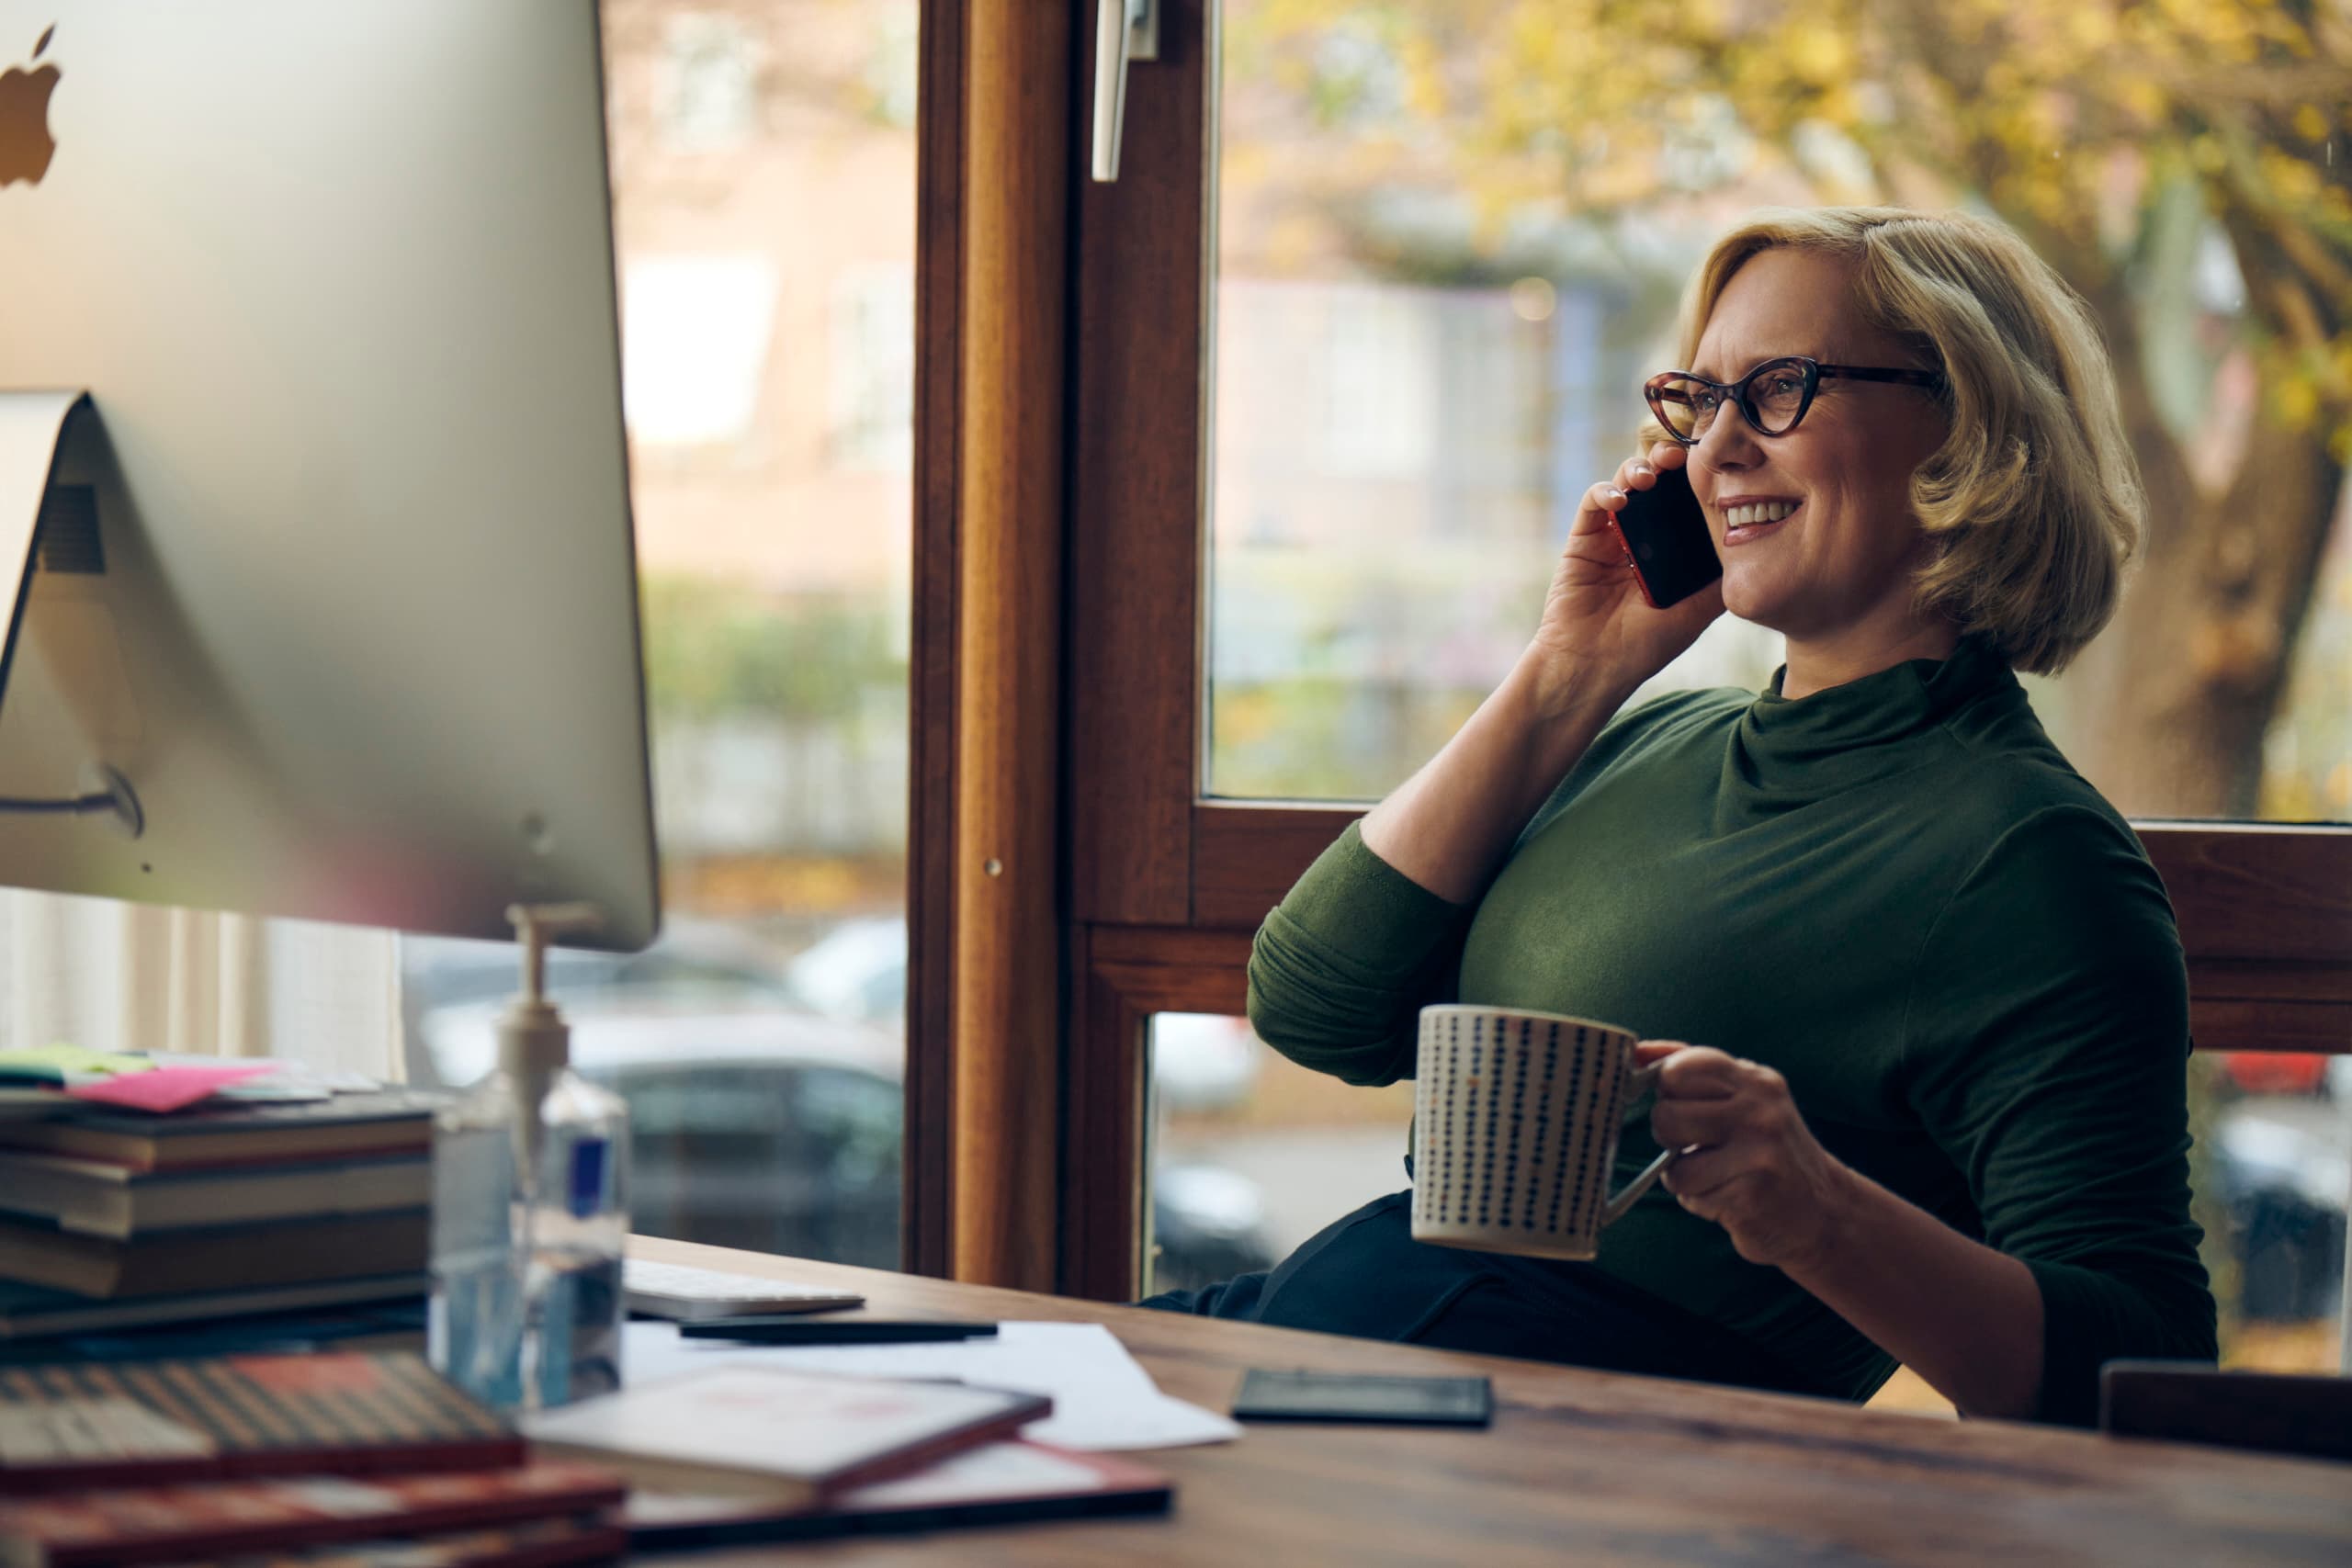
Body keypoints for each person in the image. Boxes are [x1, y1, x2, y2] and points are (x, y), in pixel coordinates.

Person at [1139, 206, 2218, 1427]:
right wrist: (1572, 671)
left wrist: (1818, 1212)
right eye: (1698, 403)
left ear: (1966, 431)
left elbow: (2148, 1365)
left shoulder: (2030, 856)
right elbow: (1319, 1006)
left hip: (1534, 1448)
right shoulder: (1653, 739)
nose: (1716, 454)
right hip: (1335, 1346)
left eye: (1777, 390)